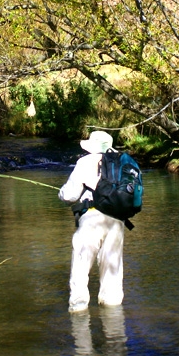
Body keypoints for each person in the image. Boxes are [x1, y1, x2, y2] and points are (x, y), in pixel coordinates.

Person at [59, 130, 126, 312]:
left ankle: (79, 324)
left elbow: (70, 195)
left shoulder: (84, 162)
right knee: (112, 276)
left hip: (91, 219)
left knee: (80, 274)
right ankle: (114, 329)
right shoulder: (121, 163)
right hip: (117, 222)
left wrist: (61, 193)